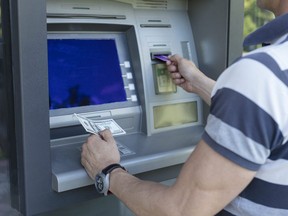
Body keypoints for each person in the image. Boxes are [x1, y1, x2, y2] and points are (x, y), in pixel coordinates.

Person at [81, 1, 288, 215]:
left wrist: (107, 171)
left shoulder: (262, 73)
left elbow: (179, 210)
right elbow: (266, 114)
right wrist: (200, 83)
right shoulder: (273, 74)